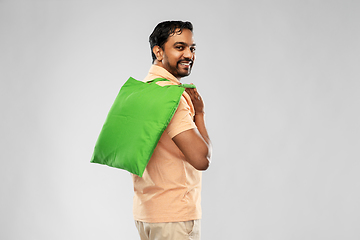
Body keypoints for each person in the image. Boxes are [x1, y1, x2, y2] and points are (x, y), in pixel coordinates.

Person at [132, 20, 212, 240]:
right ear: (158, 51)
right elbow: (201, 159)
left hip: (146, 214)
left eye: (192, 48)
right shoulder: (171, 98)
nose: (189, 55)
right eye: (179, 47)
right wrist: (199, 115)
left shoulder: (143, 90)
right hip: (174, 219)